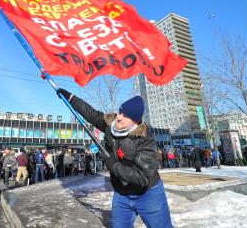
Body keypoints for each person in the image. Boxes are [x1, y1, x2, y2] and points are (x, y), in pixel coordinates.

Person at [58, 89, 172, 228]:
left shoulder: (145, 139)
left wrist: (114, 166)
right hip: (122, 195)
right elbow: (90, 113)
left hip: (148, 195)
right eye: (120, 112)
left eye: (126, 116)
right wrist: (70, 97)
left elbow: (143, 177)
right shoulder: (110, 124)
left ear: (135, 121)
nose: (119, 117)